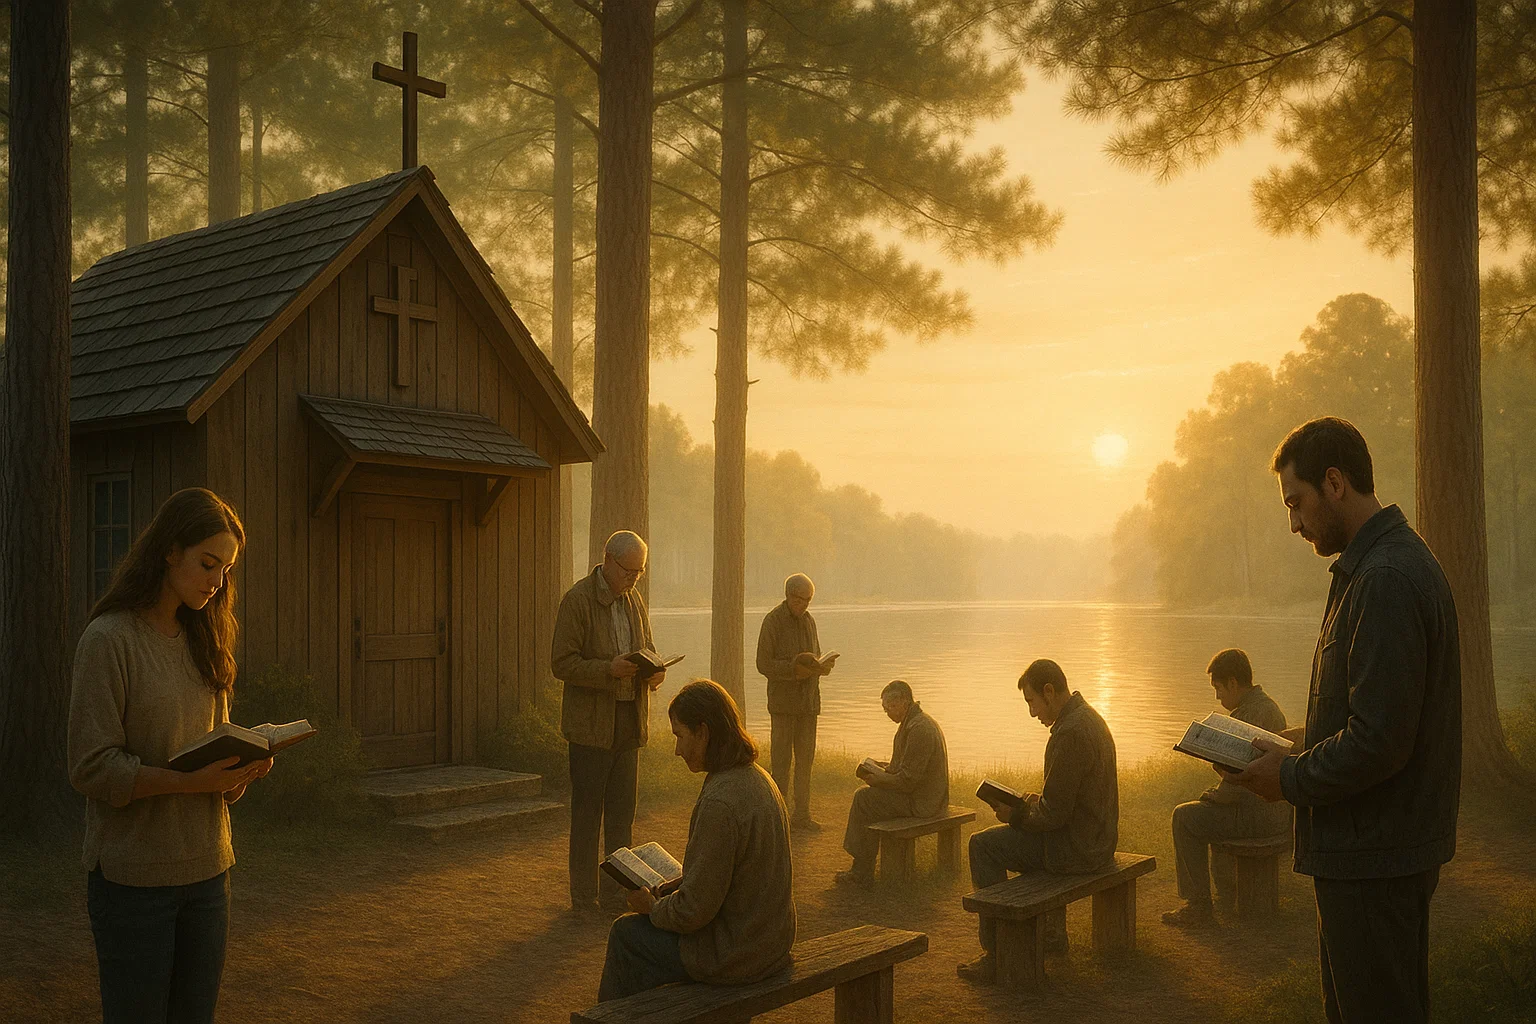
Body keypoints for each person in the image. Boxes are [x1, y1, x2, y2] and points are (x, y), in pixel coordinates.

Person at [1226, 417, 1460, 1024]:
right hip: (1374, 848)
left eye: (1296, 503)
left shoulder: (1383, 579)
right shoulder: (1379, 566)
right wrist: (1293, 743)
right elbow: (1373, 713)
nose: (1294, 524)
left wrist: (1290, 777)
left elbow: (1380, 742)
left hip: (1374, 854)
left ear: (1335, 483)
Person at [68, 488, 272, 1024]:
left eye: (226, 570)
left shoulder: (205, 639)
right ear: (168, 551)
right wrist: (193, 784)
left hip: (208, 872)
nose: (217, 581)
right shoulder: (108, 640)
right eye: (208, 564)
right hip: (133, 882)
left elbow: (213, 764)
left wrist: (240, 774)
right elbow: (91, 766)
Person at [597, 680, 796, 1002]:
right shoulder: (758, 778)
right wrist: (676, 886)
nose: (677, 749)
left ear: (703, 732)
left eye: (680, 735)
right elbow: (735, 875)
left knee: (626, 934)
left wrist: (652, 907)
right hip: (769, 944)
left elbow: (692, 914)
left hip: (738, 956)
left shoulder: (722, 801)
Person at [958, 659, 1118, 984]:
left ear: (1049, 691)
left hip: (1075, 850)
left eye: (1031, 701)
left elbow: (1053, 817)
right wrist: (1034, 803)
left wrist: (1015, 814)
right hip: (1097, 842)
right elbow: (1065, 802)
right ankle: (1051, 937)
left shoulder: (1070, 732)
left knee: (983, 845)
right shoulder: (1089, 718)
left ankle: (996, 953)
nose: (1032, 712)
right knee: (1020, 841)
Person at [552, 530, 667, 913]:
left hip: (628, 721)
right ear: (607, 560)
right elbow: (561, 663)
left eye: (640, 572)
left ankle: (616, 895)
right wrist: (608, 670)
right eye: (628, 571)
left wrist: (654, 673)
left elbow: (647, 648)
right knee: (587, 818)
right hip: (589, 728)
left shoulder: (634, 600)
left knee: (622, 818)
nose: (634, 579)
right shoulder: (577, 600)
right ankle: (584, 900)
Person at [1163, 648, 1292, 927]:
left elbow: (1241, 781)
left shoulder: (1248, 716)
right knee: (1205, 810)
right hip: (1274, 812)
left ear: (1233, 683)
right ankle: (1223, 892)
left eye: (1219, 689)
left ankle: (1198, 905)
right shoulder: (1266, 706)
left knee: (1184, 817)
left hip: (1260, 815)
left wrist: (1215, 795)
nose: (1218, 697)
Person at [836, 679, 950, 886]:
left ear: (906, 702)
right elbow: (905, 767)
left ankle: (862, 870)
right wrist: (880, 767)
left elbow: (908, 782)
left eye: (891, 707)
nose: (888, 712)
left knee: (864, 798)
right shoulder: (912, 722)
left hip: (924, 803)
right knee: (867, 796)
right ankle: (862, 866)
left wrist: (879, 779)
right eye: (884, 708)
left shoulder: (919, 729)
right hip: (924, 796)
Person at [756, 573, 836, 831]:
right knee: (781, 763)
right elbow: (763, 664)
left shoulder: (809, 621)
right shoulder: (772, 621)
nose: (804, 605)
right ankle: (779, 817)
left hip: (808, 703)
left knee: (805, 761)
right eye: (800, 599)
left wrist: (822, 666)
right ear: (789, 595)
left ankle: (802, 815)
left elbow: (816, 655)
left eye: (809, 600)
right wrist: (792, 670)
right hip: (783, 704)